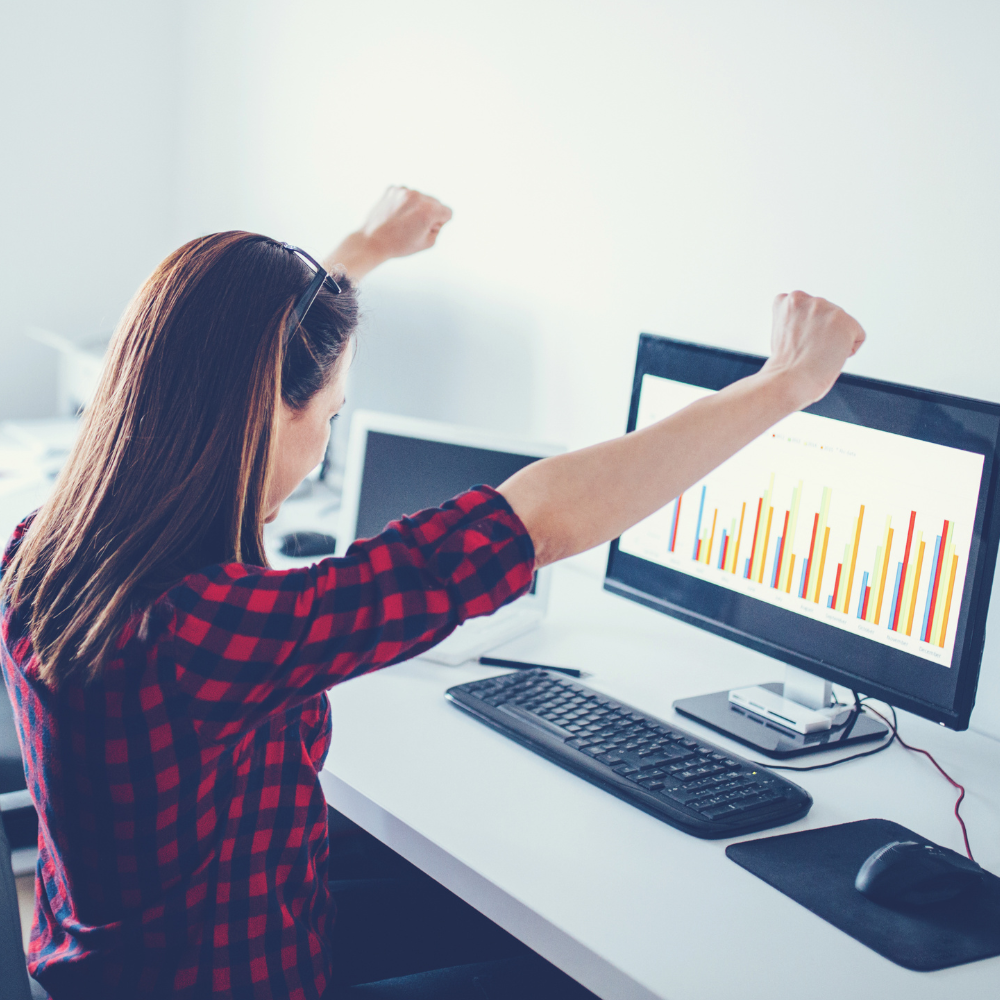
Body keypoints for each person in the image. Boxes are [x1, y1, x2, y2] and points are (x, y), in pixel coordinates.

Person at [0, 185, 865, 1000]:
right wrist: (783, 382)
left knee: (470, 901)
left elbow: (231, 347)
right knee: (566, 971)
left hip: (135, 950)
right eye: (330, 415)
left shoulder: (45, 547)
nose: (326, 438)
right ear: (264, 412)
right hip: (229, 976)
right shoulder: (212, 630)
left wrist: (362, 253)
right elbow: (532, 522)